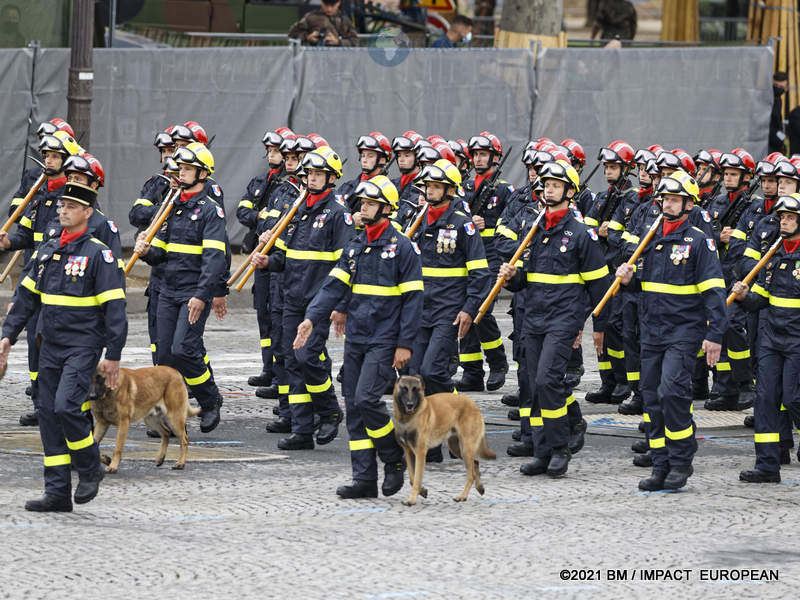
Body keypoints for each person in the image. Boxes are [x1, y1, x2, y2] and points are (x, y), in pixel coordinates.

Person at [0, 180, 127, 512]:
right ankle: (57, 492)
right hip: (50, 344)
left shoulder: (98, 254)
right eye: (61, 206)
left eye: (71, 207)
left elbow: (115, 309)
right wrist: (7, 337)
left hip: (83, 346)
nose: (63, 211)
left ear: (87, 212)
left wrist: (113, 355)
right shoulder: (47, 249)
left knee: (67, 407)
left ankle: (89, 468)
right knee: (47, 414)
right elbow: (26, 298)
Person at [295, 175, 423, 498]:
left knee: (367, 399)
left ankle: (393, 458)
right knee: (354, 407)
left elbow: (413, 301)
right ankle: (364, 479)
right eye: (362, 203)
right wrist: (311, 318)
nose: (362, 208)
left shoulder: (403, 248)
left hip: (385, 340)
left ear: (386, 208)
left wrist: (405, 344)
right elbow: (332, 287)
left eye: (368, 203)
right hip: (357, 338)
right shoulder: (356, 246)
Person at [499, 160, 612, 477]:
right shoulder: (536, 229)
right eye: (545, 185)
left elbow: (600, 287)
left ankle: (560, 448)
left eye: (555, 185)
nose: (548, 188)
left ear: (569, 192)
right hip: (533, 318)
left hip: (562, 321)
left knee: (549, 381)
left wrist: (592, 327)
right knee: (535, 386)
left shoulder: (581, 235)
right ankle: (543, 451)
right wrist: (511, 276)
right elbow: (528, 280)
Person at [616, 170, 727, 491]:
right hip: (651, 331)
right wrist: (629, 281)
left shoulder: (699, 242)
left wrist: (715, 335)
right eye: (665, 199)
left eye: (675, 199)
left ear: (689, 204)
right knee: (650, 398)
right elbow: (645, 287)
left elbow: (714, 292)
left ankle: (681, 462)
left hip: (683, 332)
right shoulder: (651, 239)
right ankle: (660, 464)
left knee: (672, 393)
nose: (668, 204)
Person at [251, 146, 352, 450]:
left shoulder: (338, 214)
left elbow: (346, 264)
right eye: (310, 174)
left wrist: (341, 306)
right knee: (291, 362)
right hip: (292, 297)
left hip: (318, 300)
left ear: (332, 178)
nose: (313, 179)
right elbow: (285, 255)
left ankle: (329, 409)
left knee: (308, 356)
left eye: (319, 174)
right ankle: (302, 429)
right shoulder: (296, 210)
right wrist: (269, 261)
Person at [134, 142, 227, 434]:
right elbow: (160, 252)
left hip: (192, 292)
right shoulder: (170, 205)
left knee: (184, 349)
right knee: (163, 356)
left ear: (202, 173)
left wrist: (202, 296)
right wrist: (146, 249)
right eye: (180, 169)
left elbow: (214, 259)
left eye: (187, 169)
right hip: (165, 290)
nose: (181, 173)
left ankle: (210, 400)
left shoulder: (211, 211)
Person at [406, 159, 491, 462]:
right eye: (427, 185)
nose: (429, 191)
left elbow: (480, 273)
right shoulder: (417, 221)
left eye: (436, 186)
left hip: (448, 312)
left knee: (432, 371)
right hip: (419, 309)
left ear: (450, 190)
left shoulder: (462, 225)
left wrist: (469, 309)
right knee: (413, 376)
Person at [0, 130, 80, 427]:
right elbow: (24, 233)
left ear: (66, 160)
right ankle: (41, 404)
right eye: (46, 155)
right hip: (35, 275)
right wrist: (9, 242)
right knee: (34, 342)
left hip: (61, 283)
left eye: (55, 156)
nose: (48, 160)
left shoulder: (74, 198)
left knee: (57, 343)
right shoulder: (38, 194)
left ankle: (68, 402)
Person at [732, 193, 800, 483]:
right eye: (782, 217)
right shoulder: (773, 254)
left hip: (798, 340)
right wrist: (746, 296)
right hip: (772, 338)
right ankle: (768, 465)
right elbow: (763, 295)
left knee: (793, 397)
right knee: (765, 399)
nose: (783, 222)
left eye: (790, 218)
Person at [457, 132, 512, 392]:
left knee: (483, 309)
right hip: (466, 256)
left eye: (483, 154)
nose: (478, 159)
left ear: (494, 158)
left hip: (491, 256)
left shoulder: (504, 190)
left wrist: (487, 223)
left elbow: (512, 222)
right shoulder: (464, 187)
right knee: (464, 310)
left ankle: (498, 362)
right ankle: (472, 372)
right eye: (475, 154)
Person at [288, 0, 358, 47]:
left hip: (338, 61)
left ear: (339, 2)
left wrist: (338, 42)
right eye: (326, 5)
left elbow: (355, 42)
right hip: (315, 60)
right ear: (321, 2)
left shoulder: (345, 20)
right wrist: (307, 37)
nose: (329, 9)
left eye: (332, 5)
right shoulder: (311, 17)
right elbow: (292, 34)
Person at [769, 72, 788, 155]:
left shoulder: (778, 100)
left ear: (786, 88)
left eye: (781, 87)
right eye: (775, 85)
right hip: (768, 143)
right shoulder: (767, 99)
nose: (778, 89)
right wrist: (779, 141)